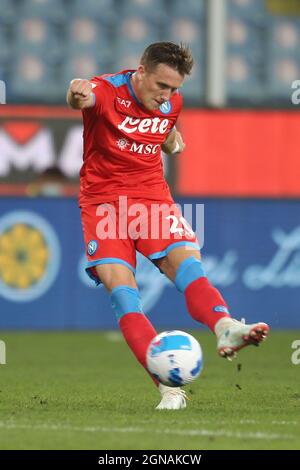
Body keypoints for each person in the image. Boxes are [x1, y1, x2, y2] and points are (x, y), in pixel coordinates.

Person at [66, 42, 269, 410]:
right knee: (122, 292)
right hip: (104, 204)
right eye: (162, 85)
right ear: (140, 72)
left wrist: (173, 142)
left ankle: (226, 327)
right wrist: (76, 91)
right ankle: (169, 389)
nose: (167, 95)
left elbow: (166, 131)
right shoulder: (106, 90)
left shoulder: (171, 103)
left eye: (175, 89)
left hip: (151, 198)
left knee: (188, 265)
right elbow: (82, 96)